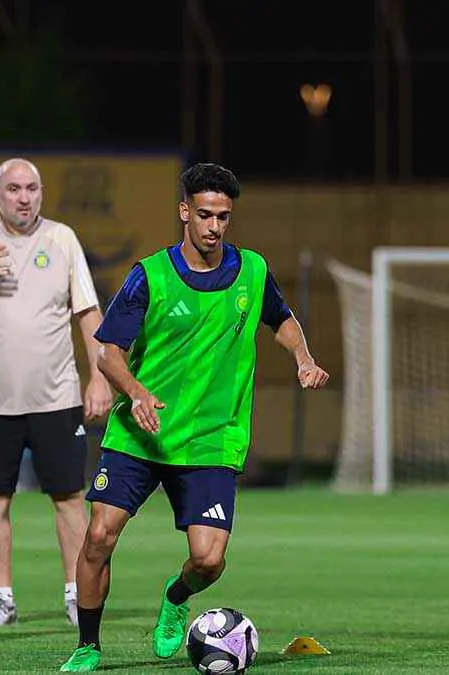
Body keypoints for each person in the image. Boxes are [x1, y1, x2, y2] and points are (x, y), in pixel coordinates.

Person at [59, 162, 330, 671]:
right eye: (204, 214)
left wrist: (304, 358)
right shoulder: (150, 275)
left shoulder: (251, 270)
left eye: (223, 217)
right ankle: (88, 645)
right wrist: (136, 392)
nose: (213, 226)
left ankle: (176, 597)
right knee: (98, 535)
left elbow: (282, 319)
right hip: (143, 433)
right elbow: (108, 353)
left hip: (210, 438)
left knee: (209, 560)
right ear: (184, 211)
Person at [0, 158, 113, 627]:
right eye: (14, 188)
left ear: (41, 193)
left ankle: (77, 594)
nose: (24, 197)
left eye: (32, 188)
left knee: (70, 497)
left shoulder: (61, 239)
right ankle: (1, 598)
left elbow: (87, 313)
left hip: (56, 398)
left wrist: (98, 377)